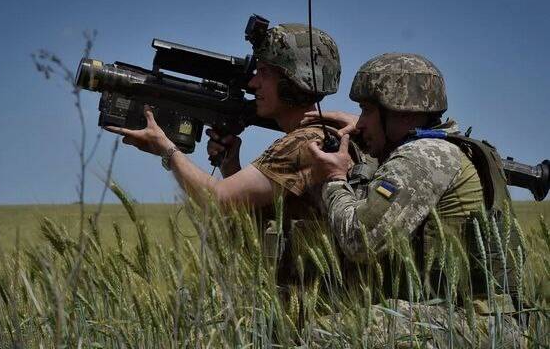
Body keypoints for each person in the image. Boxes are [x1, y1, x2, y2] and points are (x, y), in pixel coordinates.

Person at [307, 53, 524, 347]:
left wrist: (333, 178)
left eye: (367, 111)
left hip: (473, 322)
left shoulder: (422, 156)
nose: (359, 123)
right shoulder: (440, 148)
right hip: (478, 318)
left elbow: (359, 240)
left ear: (405, 114)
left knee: (326, 333)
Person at [105, 23, 346, 283]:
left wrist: (165, 149)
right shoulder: (319, 138)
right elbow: (255, 215)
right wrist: (230, 166)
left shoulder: (304, 144)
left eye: (263, 73)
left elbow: (218, 201)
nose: (253, 83)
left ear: (293, 82)